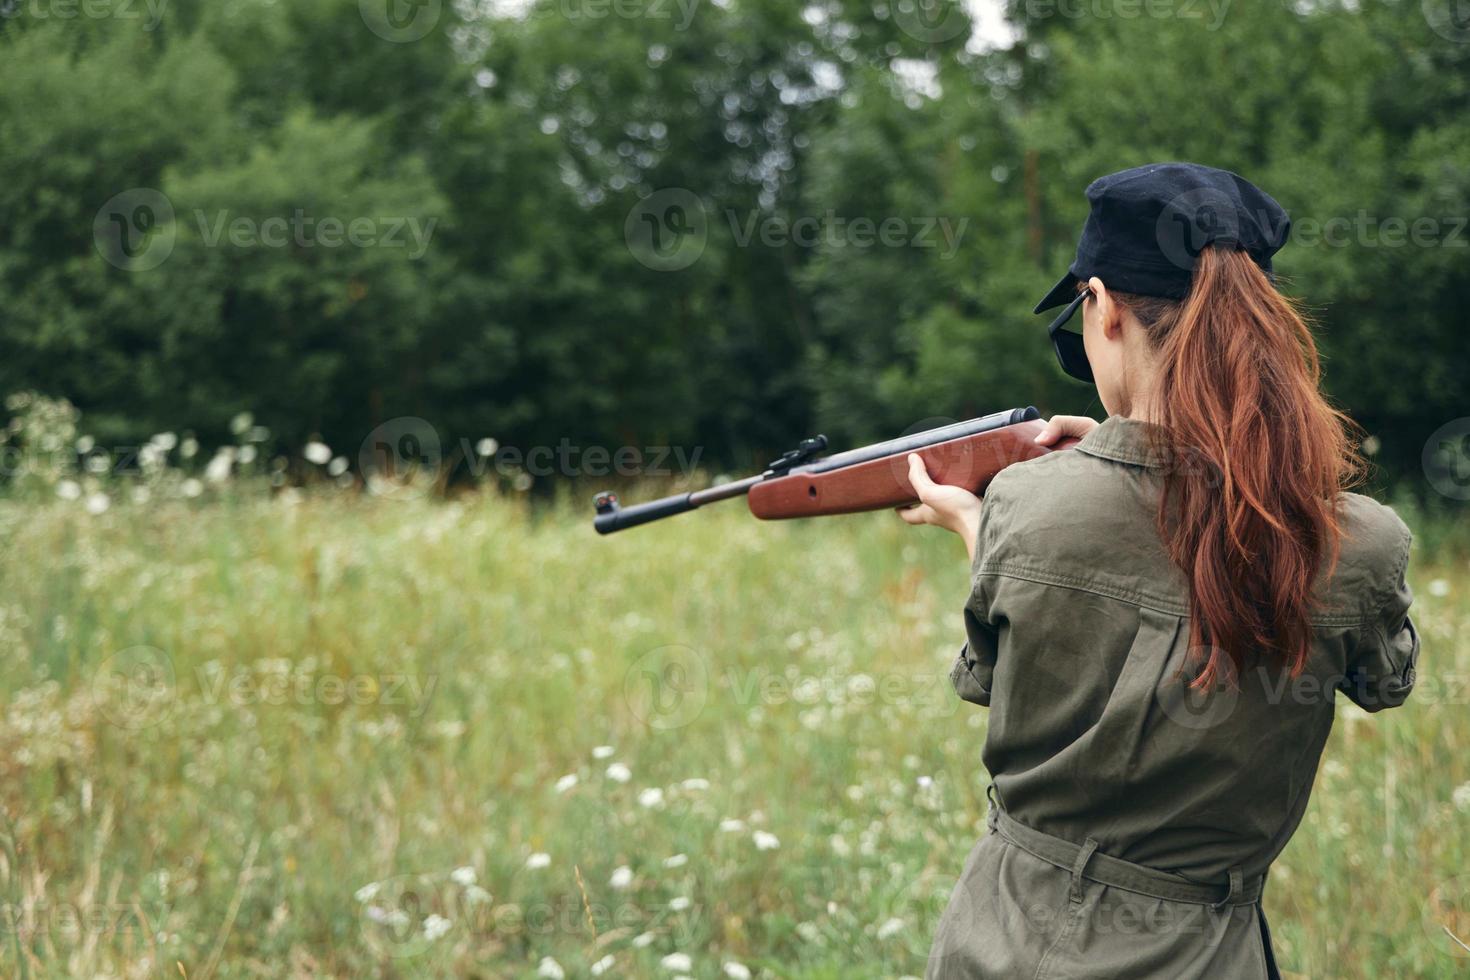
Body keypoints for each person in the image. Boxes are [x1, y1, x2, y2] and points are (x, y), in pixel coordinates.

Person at [897, 163, 1419, 979]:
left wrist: (979, 522)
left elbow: (992, 680)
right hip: (1210, 952)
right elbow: (1386, 681)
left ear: (1101, 306)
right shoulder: (1361, 541)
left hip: (1007, 942)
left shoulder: (1027, 505)